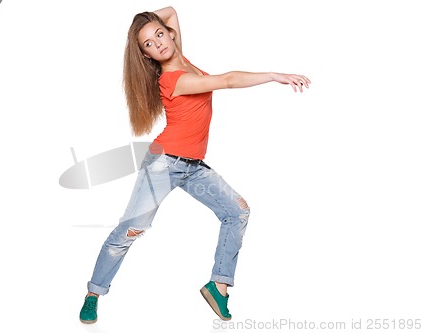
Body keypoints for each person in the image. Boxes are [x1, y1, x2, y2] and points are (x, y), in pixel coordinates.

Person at [79, 6, 311, 324]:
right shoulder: (173, 79)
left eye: (160, 34)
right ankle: (94, 293)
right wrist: (273, 76)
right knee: (130, 231)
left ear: (169, 33)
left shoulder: (181, 56)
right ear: (145, 56)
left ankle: (219, 286)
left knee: (237, 211)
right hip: (163, 165)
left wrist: (140, 25)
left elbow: (171, 11)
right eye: (148, 44)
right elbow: (227, 81)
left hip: (193, 166)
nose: (158, 43)